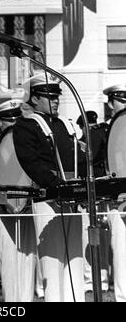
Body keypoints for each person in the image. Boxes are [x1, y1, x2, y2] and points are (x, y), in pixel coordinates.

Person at [12, 73, 86, 302]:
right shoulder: (26, 126)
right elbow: (31, 161)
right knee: (52, 262)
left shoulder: (66, 125)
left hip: (73, 196)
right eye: (49, 96)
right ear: (34, 99)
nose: (55, 101)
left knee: (75, 260)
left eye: (56, 97)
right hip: (49, 198)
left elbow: (80, 158)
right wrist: (56, 184)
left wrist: (81, 185)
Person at [0, 97, 37, 302]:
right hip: (6, 204)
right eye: (9, 121)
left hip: (27, 202)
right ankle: (12, 300)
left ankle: (25, 297)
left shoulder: (28, 141)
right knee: (9, 255)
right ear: (0, 122)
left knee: (28, 254)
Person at [76, 110, 111, 293]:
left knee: (91, 236)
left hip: (92, 191)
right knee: (100, 237)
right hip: (98, 191)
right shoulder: (101, 135)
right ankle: (101, 278)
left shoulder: (89, 140)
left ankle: (94, 279)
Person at [103, 83, 126, 302]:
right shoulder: (103, 131)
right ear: (110, 103)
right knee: (121, 251)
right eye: (121, 99)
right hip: (117, 198)